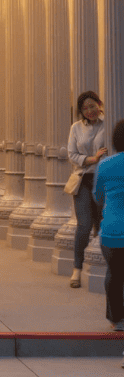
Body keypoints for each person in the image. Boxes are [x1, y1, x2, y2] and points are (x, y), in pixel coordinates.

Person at [67, 90, 106, 288]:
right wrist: (92, 159)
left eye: (92, 106)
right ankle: (77, 269)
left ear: (99, 104)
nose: (89, 111)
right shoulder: (76, 128)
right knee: (83, 226)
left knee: (101, 223)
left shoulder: (107, 123)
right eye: (85, 108)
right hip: (82, 180)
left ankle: (101, 266)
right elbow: (72, 154)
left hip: (103, 179)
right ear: (81, 111)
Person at [93, 119, 124, 330]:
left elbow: (97, 195)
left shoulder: (105, 164)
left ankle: (117, 320)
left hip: (111, 231)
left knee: (114, 273)